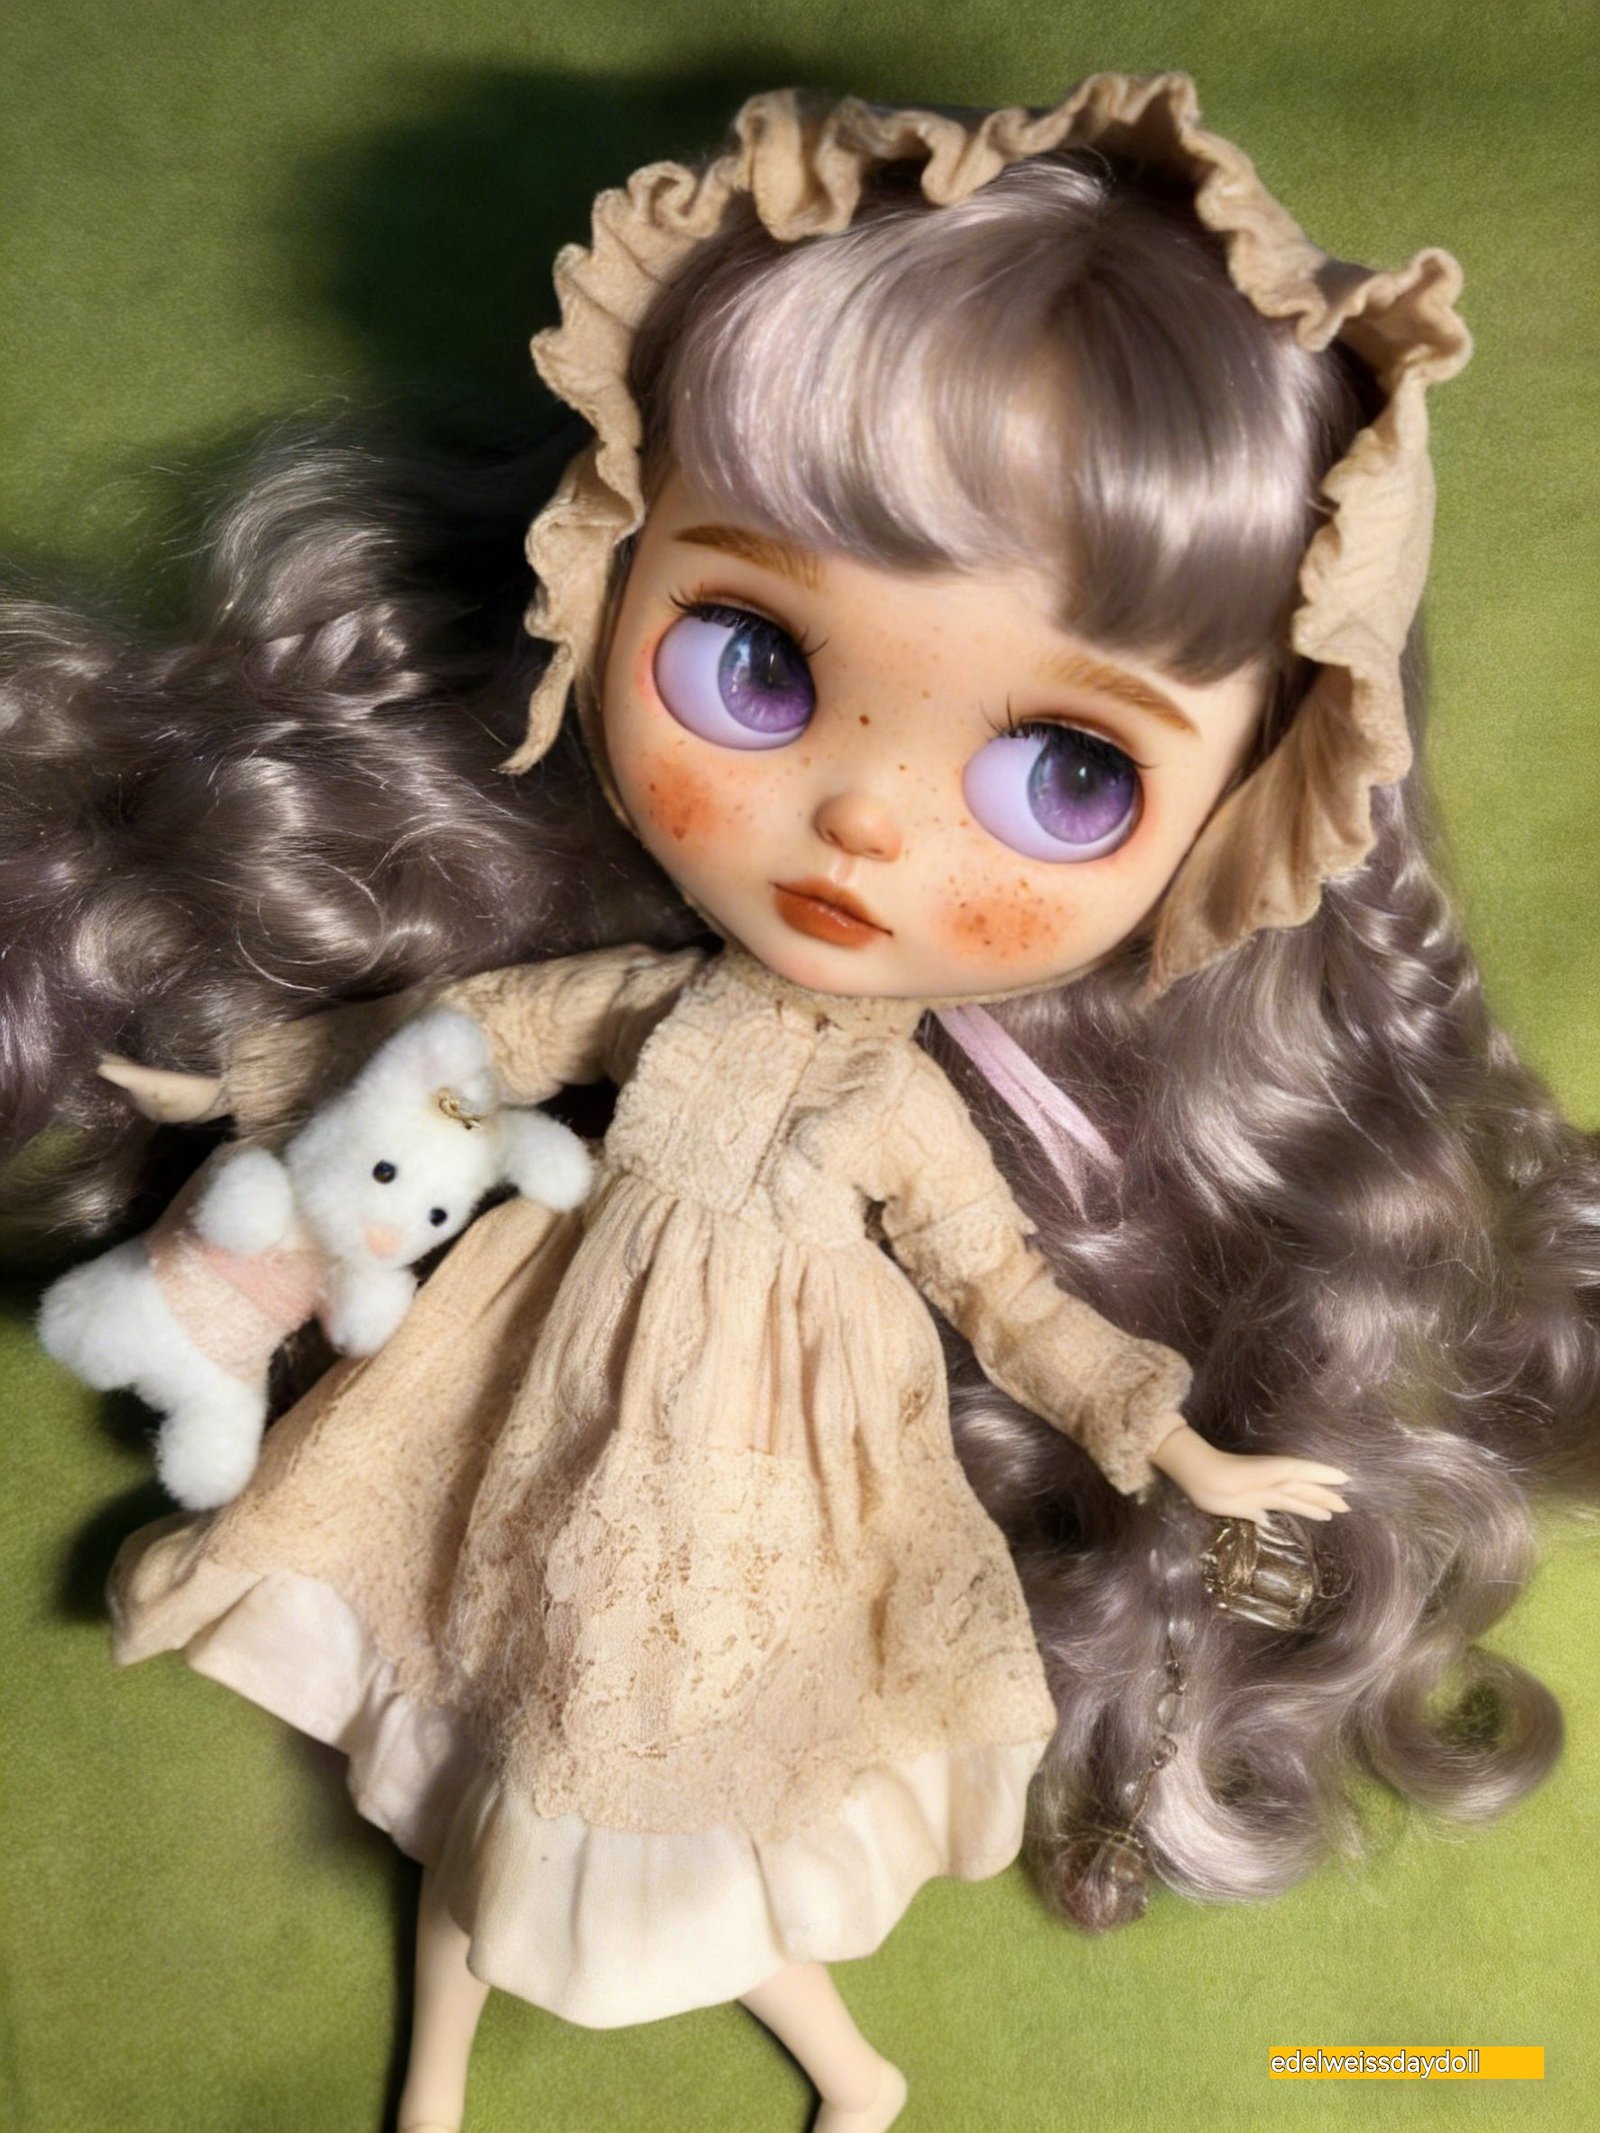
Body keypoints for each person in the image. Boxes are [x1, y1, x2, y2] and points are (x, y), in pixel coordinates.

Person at [4, 73, 1594, 2133]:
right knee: (478, 1760)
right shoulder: (642, 997)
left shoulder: (900, 1111)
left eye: (1068, 774)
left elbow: (1006, 1293)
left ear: (1235, 826)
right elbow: (461, 1043)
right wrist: (226, 1067)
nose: (859, 817)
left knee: (676, 1804)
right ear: (607, 572)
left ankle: (843, 2066)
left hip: (766, 1483)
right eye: (752, 655)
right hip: (545, 1395)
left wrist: (1173, 1439)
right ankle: (450, 2079)